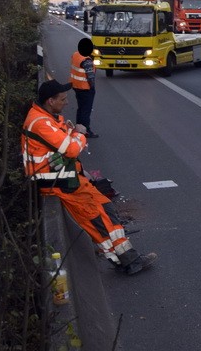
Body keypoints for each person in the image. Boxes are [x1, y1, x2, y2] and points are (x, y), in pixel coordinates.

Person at [22, 80, 156, 274]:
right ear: (50, 101)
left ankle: (124, 259)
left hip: (68, 179)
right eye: (63, 99)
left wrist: (71, 133)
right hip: (60, 184)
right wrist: (79, 133)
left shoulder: (46, 117)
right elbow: (71, 148)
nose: (67, 102)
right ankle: (129, 261)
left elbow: (61, 141)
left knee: (107, 209)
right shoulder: (40, 123)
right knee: (100, 222)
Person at [70, 38, 98, 138]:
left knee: (80, 109)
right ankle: (85, 131)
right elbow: (90, 77)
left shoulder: (76, 55)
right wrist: (92, 88)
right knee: (86, 110)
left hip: (76, 86)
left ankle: (78, 129)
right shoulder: (87, 61)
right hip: (85, 88)